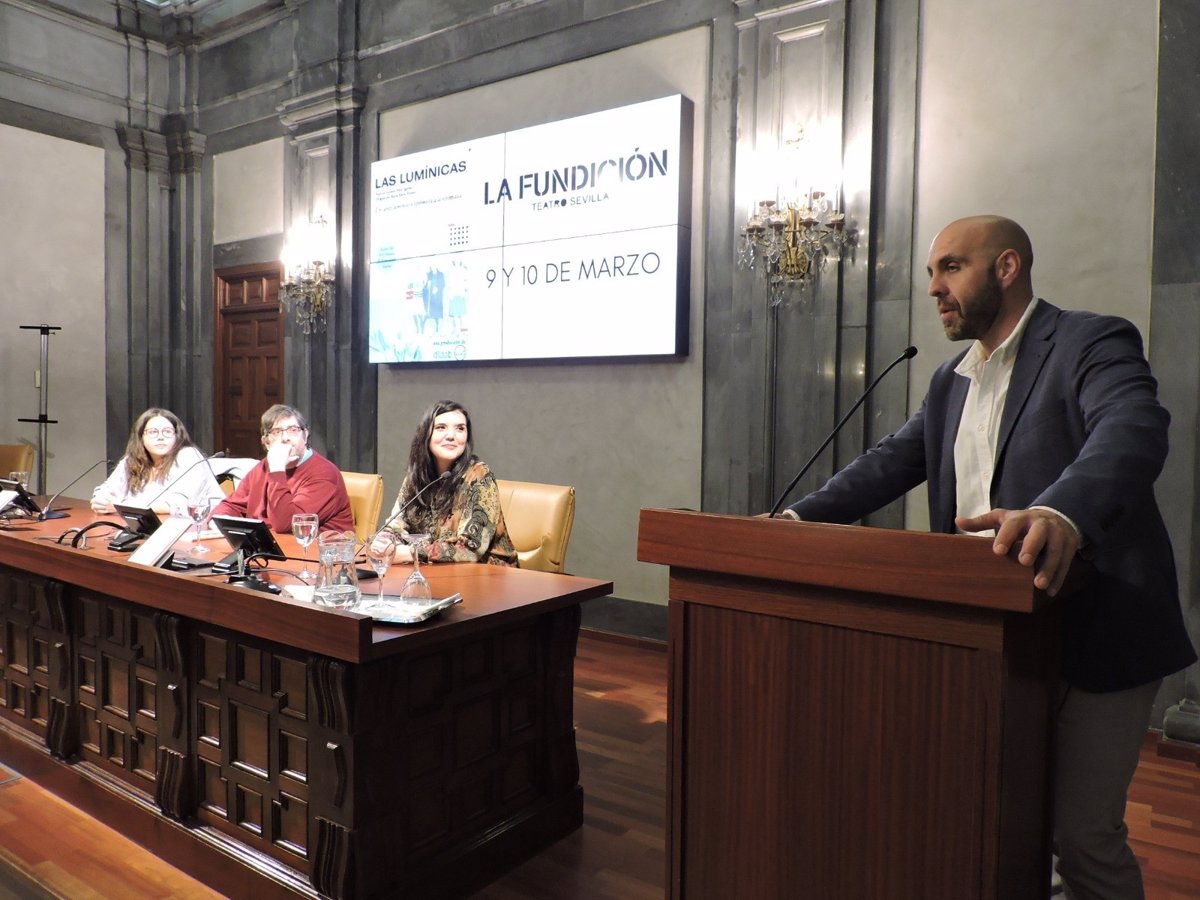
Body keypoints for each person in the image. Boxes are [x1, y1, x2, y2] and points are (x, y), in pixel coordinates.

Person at [776, 215, 1196, 900]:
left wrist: (1060, 513)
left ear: (1006, 267)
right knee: (996, 822)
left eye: (950, 268)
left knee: (1082, 839)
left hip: (1098, 630)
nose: (935, 288)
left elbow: (1132, 428)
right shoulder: (951, 380)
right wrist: (792, 521)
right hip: (988, 636)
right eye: (931, 274)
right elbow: (890, 463)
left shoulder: (1090, 340)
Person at [382, 400, 516, 566]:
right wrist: (384, 542)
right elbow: (395, 526)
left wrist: (412, 552)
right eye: (441, 428)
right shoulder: (417, 476)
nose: (451, 435)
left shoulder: (479, 476)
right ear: (426, 434)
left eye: (460, 428)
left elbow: (470, 550)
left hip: (487, 576)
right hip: (435, 572)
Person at [212, 404, 353, 534]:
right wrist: (217, 521)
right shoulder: (263, 467)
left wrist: (277, 470)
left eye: (293, 430)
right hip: (269, 552)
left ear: (305, 435)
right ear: (266, 442)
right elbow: (233, 506)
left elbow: (285, 524)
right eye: (277, 432)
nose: (285, 438)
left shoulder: (324, 473)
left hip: (315, 555)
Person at [91, 408, 223, 517]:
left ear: (177, 436)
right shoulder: (132, 460)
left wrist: (120, 506)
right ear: (141, 437)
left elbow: (179, 504)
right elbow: (107, 491)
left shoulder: (188, 456)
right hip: (149, 525)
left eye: (167, 432)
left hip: (199, 528)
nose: (160, 437)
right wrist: (101, 501)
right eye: (153, 432)